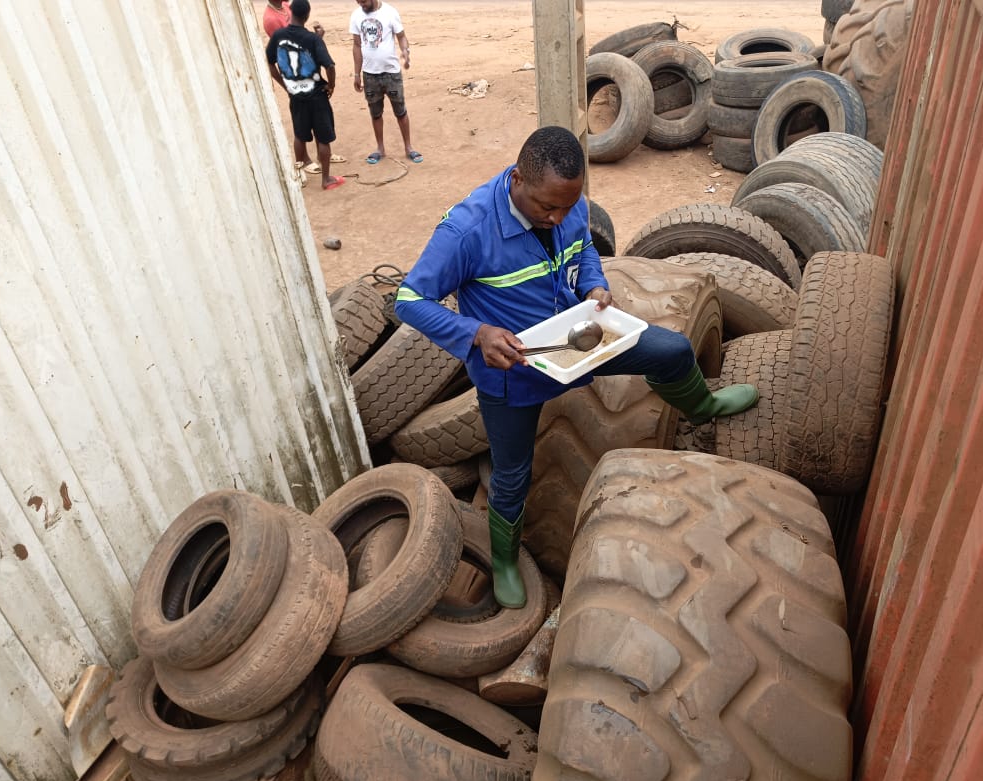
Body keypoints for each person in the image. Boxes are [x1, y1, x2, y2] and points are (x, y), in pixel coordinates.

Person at [396, 126, 758, 609]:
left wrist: (593, 284)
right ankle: (504, 558)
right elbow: (409, 299)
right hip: (514, 368)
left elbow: (584, 248)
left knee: (671, 350)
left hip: (578, 339)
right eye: (547, 207)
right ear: (518, 179)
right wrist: (477, 335)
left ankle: (703, 405)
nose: (558, 217)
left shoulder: (569, 205)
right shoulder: (466, 231)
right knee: (511, 476)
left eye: (568, 207)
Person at [265, 0, 346, 191]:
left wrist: (286, 85)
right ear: (307, 16)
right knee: (323, 137)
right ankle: (326, 179)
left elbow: (269, 62)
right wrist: (331, 85)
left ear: (290, 11)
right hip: (317, 95)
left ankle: (299, 174)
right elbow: (330, 66)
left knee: (300, 135)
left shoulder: (278, 36)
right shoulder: (313, 39)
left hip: (296, 96)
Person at [349, 0, 422, 164]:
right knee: (375, 113)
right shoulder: (356, 15)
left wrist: (406, 52)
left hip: (391, 73)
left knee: (400, 111)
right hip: (369, 75)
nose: (361, 4)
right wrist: (356, 74)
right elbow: (356, 45)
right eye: (358, 1)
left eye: (364, 1)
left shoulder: (390, 12)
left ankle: (408, 147)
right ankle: (380, 149)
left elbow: (402, 37)